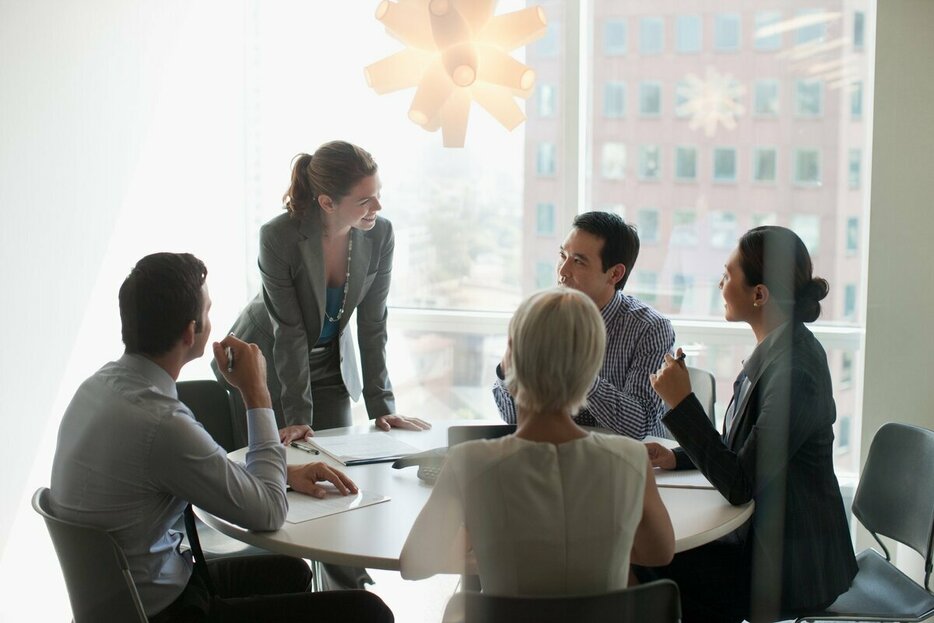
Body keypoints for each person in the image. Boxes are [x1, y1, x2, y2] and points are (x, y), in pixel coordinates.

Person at [49, 252, 393, 623]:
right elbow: (269, 513)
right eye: (208, 311)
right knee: (367, 612)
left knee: (289, 571)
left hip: (122, 601)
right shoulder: (162, 422)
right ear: (189, 332)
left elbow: (197, 472)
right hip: (167, 612)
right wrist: (256, 393)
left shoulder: (98, 387)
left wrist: (284, 475)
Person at [640, 226, 857, 623]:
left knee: (649, 566)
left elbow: (740, 483)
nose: (721, 284)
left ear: (760, 294)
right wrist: (676, 458)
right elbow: (744, 451)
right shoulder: (777, 351)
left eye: (727, 274)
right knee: (650, 559)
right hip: (763, 542)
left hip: (790, 565)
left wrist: (682, 403)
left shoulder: (796, 372)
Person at [401, 288, 674, 596]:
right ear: (592, 368)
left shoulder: (469, 462)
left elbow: (414, 564)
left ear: (511, 355)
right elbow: (659, 553)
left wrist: (490, 551)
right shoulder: (631, 460)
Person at [215, 141, 429, 448]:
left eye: (379, 194)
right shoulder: (278, 237)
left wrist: (383, 409)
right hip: (267, 362)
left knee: (338, 459)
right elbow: (289, 330)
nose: (378, 207)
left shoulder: (381, 234)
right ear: (328, 203)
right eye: (366, 200)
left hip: (331, 361)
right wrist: (298, 416)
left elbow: (373, 324)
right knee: (277, 467)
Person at [493, 211, 675, 439]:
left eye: (578, 261)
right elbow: (513, 419)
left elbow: (638, 427)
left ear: (615, 274)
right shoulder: (544, 317)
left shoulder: (650, 328)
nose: (562, 271)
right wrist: (507, 370)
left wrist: (576, 369)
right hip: (560, 456)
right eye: (562, 255)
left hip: (628, 462)